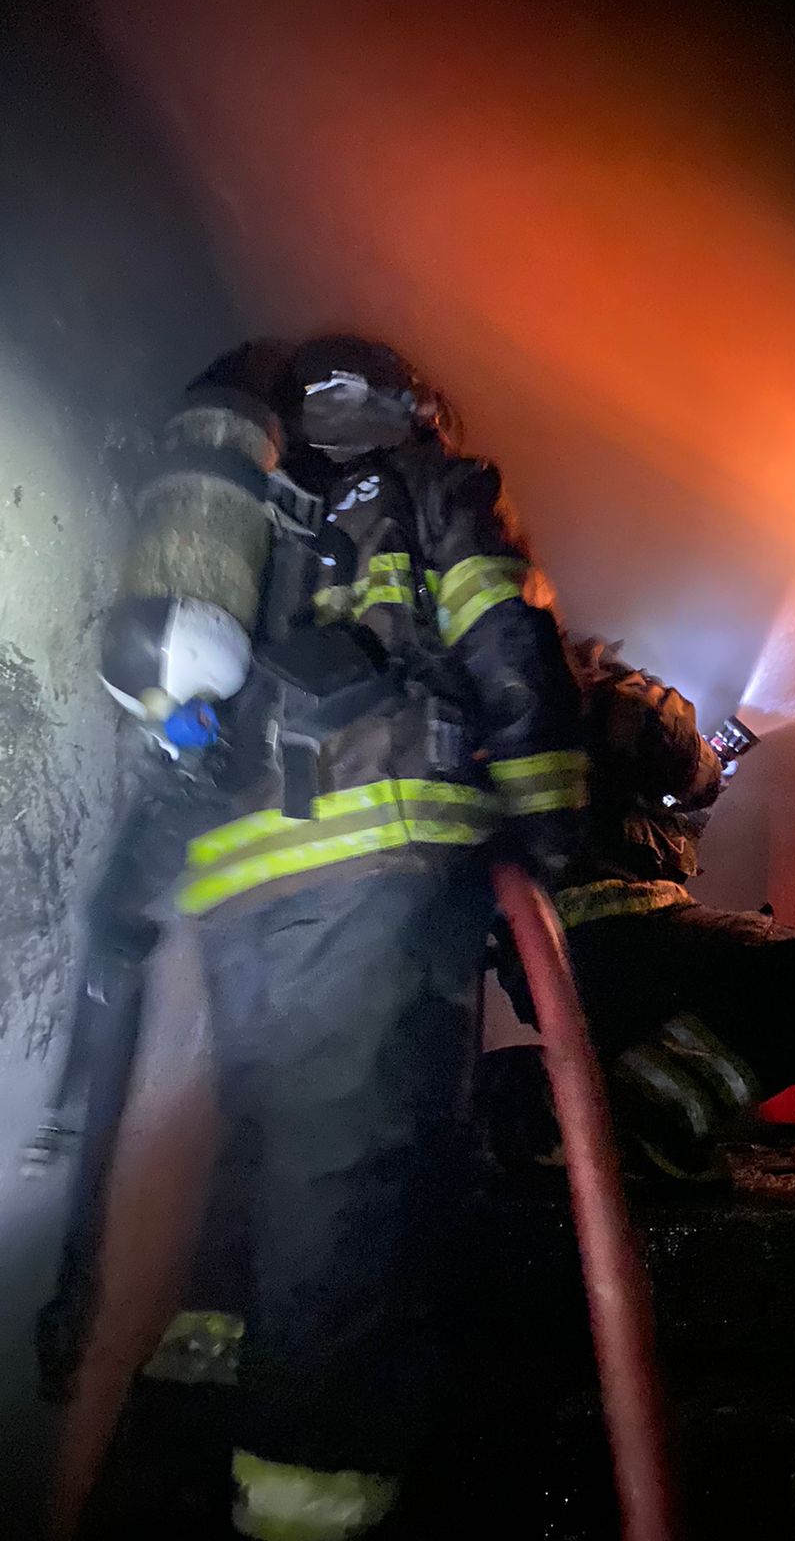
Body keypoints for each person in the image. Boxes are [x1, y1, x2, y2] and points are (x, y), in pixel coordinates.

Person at [42, 336, 586, 1540]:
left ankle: (195, 1405)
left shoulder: (261, 504)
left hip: (238, 880)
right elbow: (508, 645)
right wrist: (550, 836)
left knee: (258, 1127)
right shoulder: (434, 487)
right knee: (351, 1177)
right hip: (376, 853)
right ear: (408, 404)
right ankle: (309, 1496)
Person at [488, 636, 795, 1181]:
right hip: (615, 934)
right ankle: (632, 1123)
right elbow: (683, 759)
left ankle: (567, 1107)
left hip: (546, 966)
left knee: (678, 1027)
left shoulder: (508, 723)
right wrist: (710, 759)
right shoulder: (610, 696)